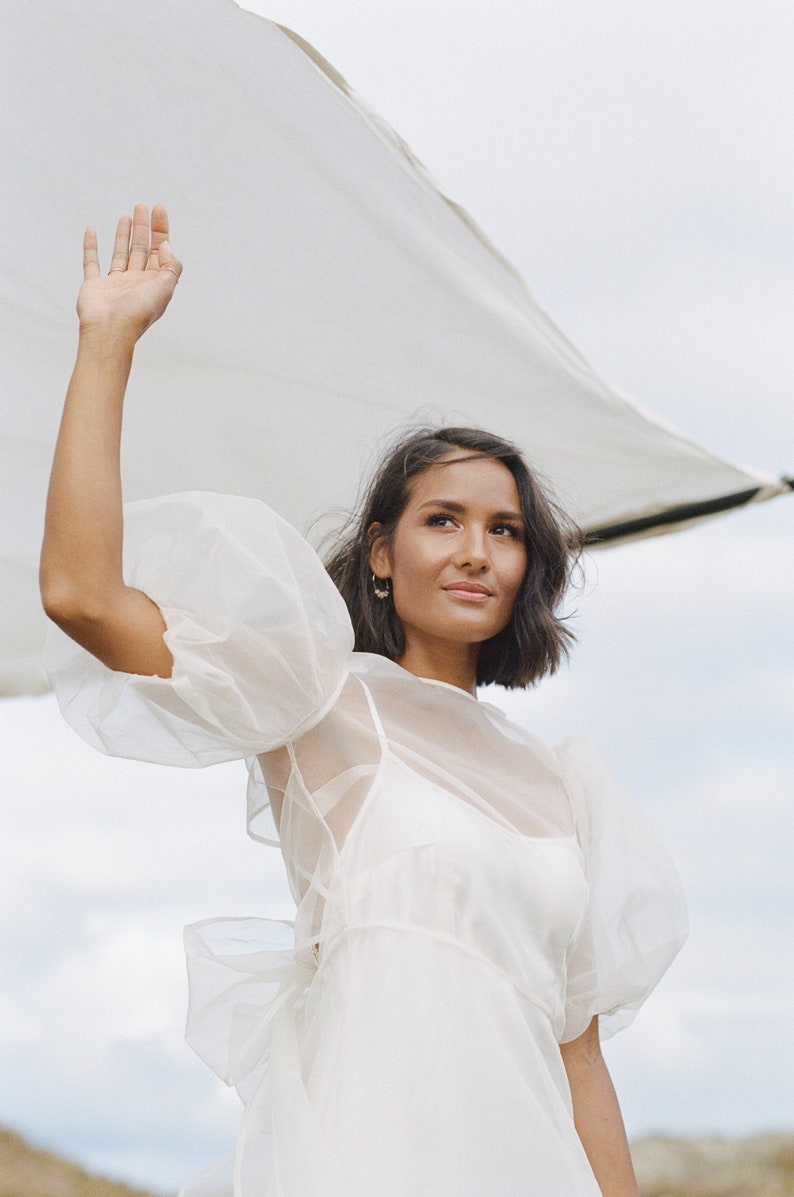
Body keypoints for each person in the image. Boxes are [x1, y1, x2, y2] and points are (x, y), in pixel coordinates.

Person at [41, 205, 688, 1197]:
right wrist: (106, 344)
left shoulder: (565, 789)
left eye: (504, 530)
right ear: (382, 553)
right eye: (442, 520)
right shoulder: (319, 701)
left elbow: (578, 1059)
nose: (475, 550)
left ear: (529, 565)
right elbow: (82, 596)